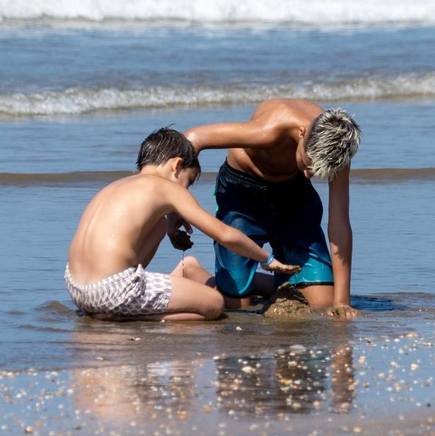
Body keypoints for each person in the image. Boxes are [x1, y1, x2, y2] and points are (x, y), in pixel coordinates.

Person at [64, 127, 299, 322]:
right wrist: (266, 259)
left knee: (160, 231)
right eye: (188, 183)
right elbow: (224, 235)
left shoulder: (117, 186)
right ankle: (125, 315)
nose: (184, 191)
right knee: (214, 304)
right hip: (113, 292)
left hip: (77, 288)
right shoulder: (166, 188)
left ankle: (123, 305)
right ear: (177, 165)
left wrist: (168, 226)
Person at [184, 101, 361, 315]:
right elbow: (192, 138)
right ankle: (194, 270)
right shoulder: (271, 129)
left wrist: (342, 302)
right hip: (242, 194)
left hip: (294, 197)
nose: (309, 175)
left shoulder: (337, 149)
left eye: (317, 170)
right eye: (308, 163)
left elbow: (339, 224)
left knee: (322, 303)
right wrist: (177, 205)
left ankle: (255, 282)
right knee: (235, 306)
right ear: (302, 133)